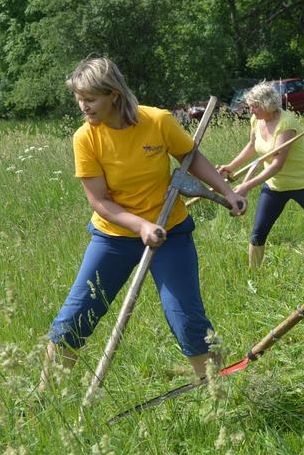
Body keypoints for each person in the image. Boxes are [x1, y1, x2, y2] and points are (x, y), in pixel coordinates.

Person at [38, 57, 247, 391]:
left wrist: (227, 191)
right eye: (79, 97)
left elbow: (191, 159)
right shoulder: (86, 138)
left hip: (171, 233)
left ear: (114, 95)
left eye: (90, 98)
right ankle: (44, 399)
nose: (83, 105)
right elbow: (100, 201)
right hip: (115, 237)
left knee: (186, 319)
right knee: (75, 317)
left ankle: (218, 392)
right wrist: (140, 227)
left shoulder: (158, 121)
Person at [218, 81, 304, 268]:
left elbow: (277, 164)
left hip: (303, 183)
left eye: (254, 106)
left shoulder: (286, 124)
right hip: (275, 186)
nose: (251, 110)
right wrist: (231, 166)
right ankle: (253, 275)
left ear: (266, 105)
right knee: (258, 234)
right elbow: (252, 146)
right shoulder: (256, 120)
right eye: (250, 106)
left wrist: (246, 186)